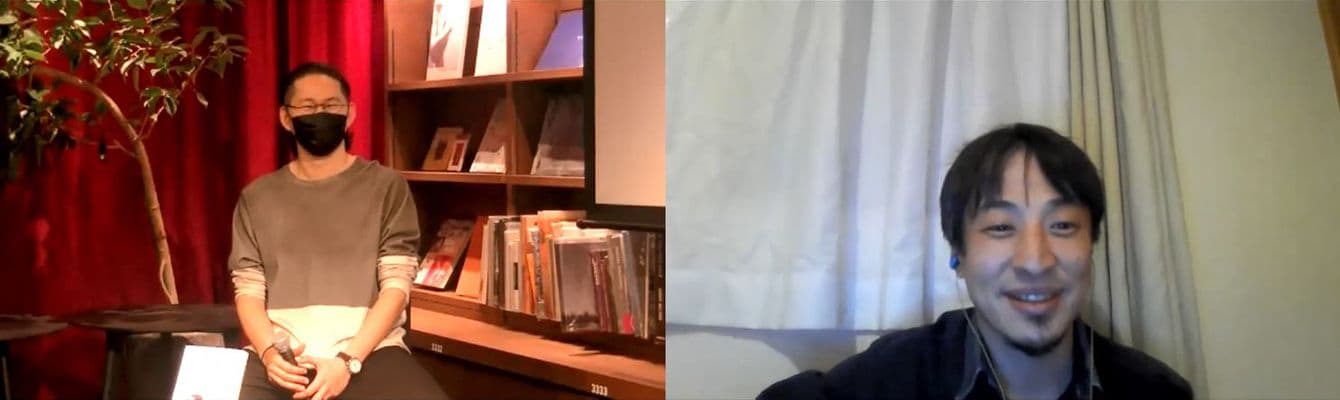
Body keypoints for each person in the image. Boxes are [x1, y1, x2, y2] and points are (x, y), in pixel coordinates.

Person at [758, 123, 1191, 399]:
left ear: (1091, 245)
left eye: (1062, 225)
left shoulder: (1155, 391)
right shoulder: (899, 375)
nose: (1035, 261)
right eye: (1001, 227)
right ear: (957, 255)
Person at [229, 62, 448, 400]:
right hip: (282, 356)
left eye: (331, 105)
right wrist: (270, 353)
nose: (321, 113)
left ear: (350, 114)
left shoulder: (387, 187)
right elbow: (248, 290)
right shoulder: (256, 197)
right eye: (308, 106)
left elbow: (396, 286)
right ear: (286, 117)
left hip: (371, 353)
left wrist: (348, 361)